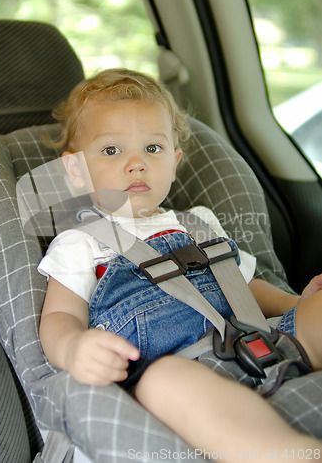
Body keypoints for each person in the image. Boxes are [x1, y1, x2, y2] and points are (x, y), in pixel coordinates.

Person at [38, 68, 322, 461]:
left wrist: (296, 305)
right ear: (76, 171)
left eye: (152, 149)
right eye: (111, 150)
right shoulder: (81, 243)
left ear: (174, 161)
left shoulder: (197, 223)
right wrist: (73, 347)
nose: (136, 164)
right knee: (164, 382)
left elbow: (243, 284)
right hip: (174, 370)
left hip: (255, 341)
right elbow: (59, 315)